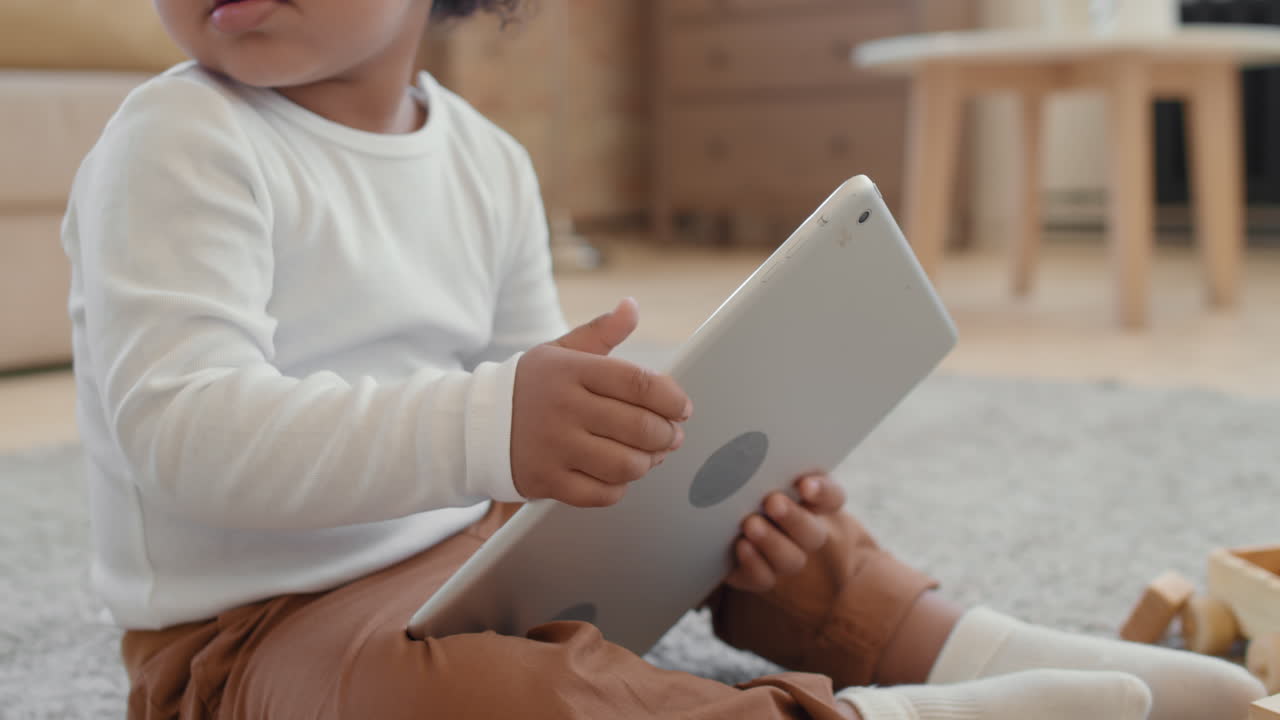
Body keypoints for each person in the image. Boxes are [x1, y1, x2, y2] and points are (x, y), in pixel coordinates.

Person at [62, 0, 1264, 718]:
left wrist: (626, 467)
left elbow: (526, 450)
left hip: (474, 558)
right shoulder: (180, 139)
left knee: (731, 496)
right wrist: (494, 426)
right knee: (481, 706)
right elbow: (186, 440)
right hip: (256, 642)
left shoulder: (482, 157)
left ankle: (948, 642)